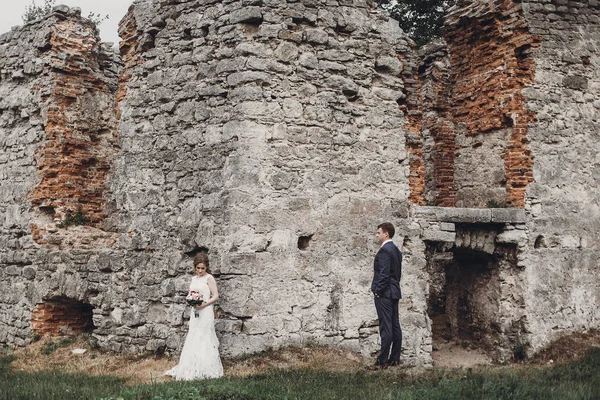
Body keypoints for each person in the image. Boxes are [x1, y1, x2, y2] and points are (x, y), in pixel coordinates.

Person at [165, 252, 223, 380]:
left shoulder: (209, 278)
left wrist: (203, 305)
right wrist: (191, 299)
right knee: (194, 335)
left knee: (204, 336)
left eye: (203, 268)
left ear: (206, 267)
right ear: (195, 267)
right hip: (195, 312)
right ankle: (191, 365)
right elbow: (191, 293)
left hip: (206, 311)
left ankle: (206, 367)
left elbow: (215, 296)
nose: (200, 270)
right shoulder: (193, 279)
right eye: (198, 268)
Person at [370, 222, 403, 369]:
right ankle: (394, 359)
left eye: (378, 233)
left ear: (386, 234)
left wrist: (378, 290)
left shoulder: (384, 251)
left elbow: (384, 274)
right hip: (394, 292)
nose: (377, 235)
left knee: (386, 327)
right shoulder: (396, 250)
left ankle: (382, 361)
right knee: (395, 326)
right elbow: (397, 274)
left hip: (385, 294)